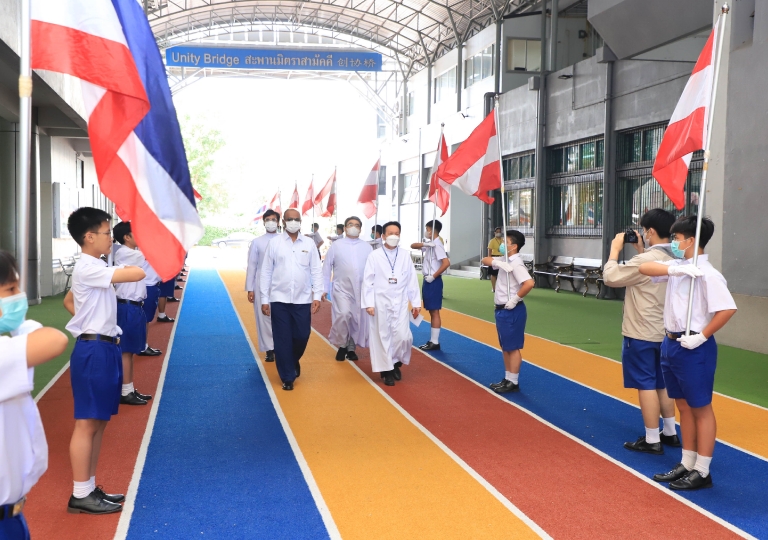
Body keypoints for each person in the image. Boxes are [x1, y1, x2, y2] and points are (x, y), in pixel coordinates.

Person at [639, 216, 737, 491]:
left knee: (701, 408)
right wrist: (675, 271)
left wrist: (702, 336)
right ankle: (687, 461)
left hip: (695, 346)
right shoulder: (678, 266)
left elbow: (727, 308)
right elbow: (645, 267)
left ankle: (703, 470)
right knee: (683, 405)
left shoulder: (709, 274)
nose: (673, 244)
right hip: (671, 343)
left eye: (676, 238)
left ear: (691, 240)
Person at [62, 207, 145, 514]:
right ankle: (80, 493)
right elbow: (137, 273)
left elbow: (69, 301)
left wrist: (89, 321)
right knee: (86, 423)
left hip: (104, 346)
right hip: (94, 350)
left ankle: (88, 488)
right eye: (107, 233)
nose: (111, 238)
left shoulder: (93, 265)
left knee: (98, 422)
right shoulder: (89, 266)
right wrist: (90, 328)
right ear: (89, 237)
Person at [0, 251, 69, 540]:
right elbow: (55, 340)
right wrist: (21, 327)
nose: (20, 296)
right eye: (10, 290)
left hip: (12, 515)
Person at [603, 209, 680, 455]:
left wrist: (615, 250)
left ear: (650, 232)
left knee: (646, 384)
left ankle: (651, 438)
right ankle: (669, 432)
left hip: (641, 332)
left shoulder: (644, 261)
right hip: (667, 331)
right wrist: (640, 250)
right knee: (663, 383)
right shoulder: (678, 259)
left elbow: (611, 277)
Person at [260, 208, 323, 391]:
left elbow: (316, 270)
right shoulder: (275, 243)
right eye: (290, 219)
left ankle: (292, 360)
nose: (293, 222)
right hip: (278, 299)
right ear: (284, 222)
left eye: (296, 219)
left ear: (300, 221)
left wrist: (317, 295)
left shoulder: (309, 243)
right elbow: (266, 272)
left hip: (302, 299)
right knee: (282, 338)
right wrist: (265, 298)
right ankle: (287, 376)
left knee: (302, 335)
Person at [362, 221, 421, 387]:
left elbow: (411, 280)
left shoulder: (404, 255)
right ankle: (386, 370)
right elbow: (368, 281)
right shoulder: (374, 256)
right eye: (390, 233)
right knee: (383, 336)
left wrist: (416, 303)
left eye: (397, 233)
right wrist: (368, 304)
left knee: (403, 337)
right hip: (380, 302)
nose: (393, 236)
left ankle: (396, 362)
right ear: (383, 236)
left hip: (400, 302)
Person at [480, 230, 534, 393]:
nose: (502, 244)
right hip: (502, 309)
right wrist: (498, 263)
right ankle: (508, 378)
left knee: (512, 347)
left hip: (511, 309)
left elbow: (529, 283)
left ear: (514, 246)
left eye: (506, 242)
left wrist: (515, 299)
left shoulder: (516, 263)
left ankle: (514, 381)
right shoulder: (505, 259)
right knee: (506, 346)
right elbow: (485, 259)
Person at [112, 222, 153, 406]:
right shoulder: (125, 253)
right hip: (127, 307)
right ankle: (125, 390)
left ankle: (128, 389)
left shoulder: (131, 253)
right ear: (126, 237)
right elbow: (150, 254)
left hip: (134, 306)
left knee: (130, 351)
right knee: (126, 351)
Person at [322, 216, 372, 361]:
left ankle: (351, 348)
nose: (353, 227)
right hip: (341, 289)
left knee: (356, 319)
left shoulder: (367, 247)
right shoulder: (336, 245)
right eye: (350, 224)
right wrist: (324, 289)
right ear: (345, 228)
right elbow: (326, 268)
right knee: (343, 315)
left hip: (361, 290)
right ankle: (342, 344)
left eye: (357, 225)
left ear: (360, 229)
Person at [246, 209, 281, 362]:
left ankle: (280, 346)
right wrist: (250, 288)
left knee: (280, 316)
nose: (271, 222)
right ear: (264, 222)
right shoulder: (257, 242)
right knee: (264, 316)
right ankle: (269, 349)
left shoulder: (284, 240)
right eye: (268, 219)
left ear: (279, 222)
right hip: (261, 284)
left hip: (281, 283)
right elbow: (252, 265)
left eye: (274, 219)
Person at [411, 220, 450, 351]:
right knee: (431, 310)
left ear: (431, 230)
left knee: (434, 311)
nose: (425, 231)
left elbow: (446, 263)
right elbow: (413, 245)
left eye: (427, 229)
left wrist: (434, 276)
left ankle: (435, 341)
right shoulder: (431, 244)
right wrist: (426, 243)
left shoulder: (437, 245)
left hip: (433, 280)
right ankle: (433, 340)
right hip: (427, 279)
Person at [487, 227, 503, 292]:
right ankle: (493, 288)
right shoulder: (492, 241)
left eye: (499, 232)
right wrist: (489, 258)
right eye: (497, 232)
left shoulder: (503, 240)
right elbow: (489, 250)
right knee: (493, 274)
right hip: (494, 257)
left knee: (502, 274)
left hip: (502, 257)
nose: (498, 233)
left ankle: (501, 288)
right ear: (495, 233)